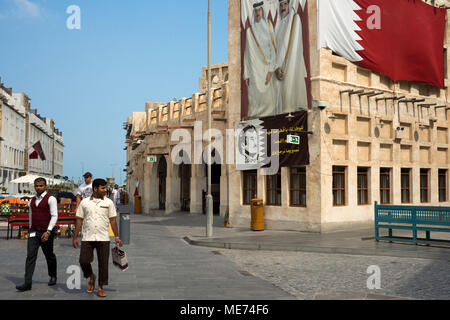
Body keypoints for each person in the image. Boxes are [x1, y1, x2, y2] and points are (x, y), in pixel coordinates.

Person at [73, 178, 123, 298]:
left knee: (103, 264)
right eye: (103, 188)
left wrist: (117, 236)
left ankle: (100, 287)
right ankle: (91, 276)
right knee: (83, 260)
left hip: (103, 238)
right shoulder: (84, 202)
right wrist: (75, 237)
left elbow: (113, 221)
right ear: (95, 189)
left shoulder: (109, 203)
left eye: (105, 187)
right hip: (87, 237)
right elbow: (79, 220)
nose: (105, 190)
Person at [16, 178, 58, 292]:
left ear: (45, 186)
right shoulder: (32, 200)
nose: (39, 187)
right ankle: (27, 283)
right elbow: (31, 215)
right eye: (37, 186)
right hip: (34, 232)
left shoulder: (51, 199)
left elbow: (54, 216)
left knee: (49, 255)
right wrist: (30, 228)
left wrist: (48, 231)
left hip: (46, 232)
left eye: (41, 186)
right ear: (34, 186)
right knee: (30, 256)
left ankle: (53, 275)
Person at [244, 0, 278, 117]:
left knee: (269, 101)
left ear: (262, 11)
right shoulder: (249, 32)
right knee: (254, 100)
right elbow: (246, 54)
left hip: (266, 69)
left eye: (259, 10)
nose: (258, 13)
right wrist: (247, 74)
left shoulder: (268, 27)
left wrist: (270, 70)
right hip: (254, 72)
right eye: (256, 11)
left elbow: (273, 50)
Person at [274, 0, 308, 114]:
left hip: (290, 67)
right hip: (278, 70)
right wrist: (276, 67)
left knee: (289, 100)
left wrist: (285, 67)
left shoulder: (295, 20)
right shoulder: (278, 25)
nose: (283, 7)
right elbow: (275, 49)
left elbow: (294, 46)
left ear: (289, 5)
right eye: (281, 5)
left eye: (285, 4)